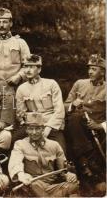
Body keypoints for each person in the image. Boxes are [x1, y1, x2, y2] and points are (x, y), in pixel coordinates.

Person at [8, 112, 79, 197]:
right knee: (34, 184)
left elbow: (63, 170)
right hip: (32, 184)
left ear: (43, 129)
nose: (34, 132)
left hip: (51, 187)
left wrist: (69, 175)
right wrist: (21, 174)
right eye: (30, 129)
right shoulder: (20, 144)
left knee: (74, 184)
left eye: (37, 128)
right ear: (26, 130)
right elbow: (15, 162)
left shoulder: (54, 145)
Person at [64, 54, 106, 194]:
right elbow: (64, 105)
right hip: (77, 127)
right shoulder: (79, 84)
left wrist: (100, 126)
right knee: (74, 119)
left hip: (97, 129)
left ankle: (84, 165)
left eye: (94, 69)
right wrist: (72, 105)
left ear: (103, 72)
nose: (90, 72)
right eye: (89, 69)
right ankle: (88, 164)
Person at [15, 54, 66, 152]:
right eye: (25, 66)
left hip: (52, 126)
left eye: (31, 67)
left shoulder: (51, 84)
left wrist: (48, 128)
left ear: (39, 69)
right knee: (14, 142)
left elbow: (59, 111)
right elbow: (20, 114)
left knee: (61, 150)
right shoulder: (21, 89)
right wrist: (28, 123)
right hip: (32, 126)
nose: (28, 70)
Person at [0, 7, 30, 89]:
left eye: (5, 22)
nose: (1, 25)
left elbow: (29, 65)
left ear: (11, 23)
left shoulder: (20, 43)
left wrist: (19, 76)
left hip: (18, 87)